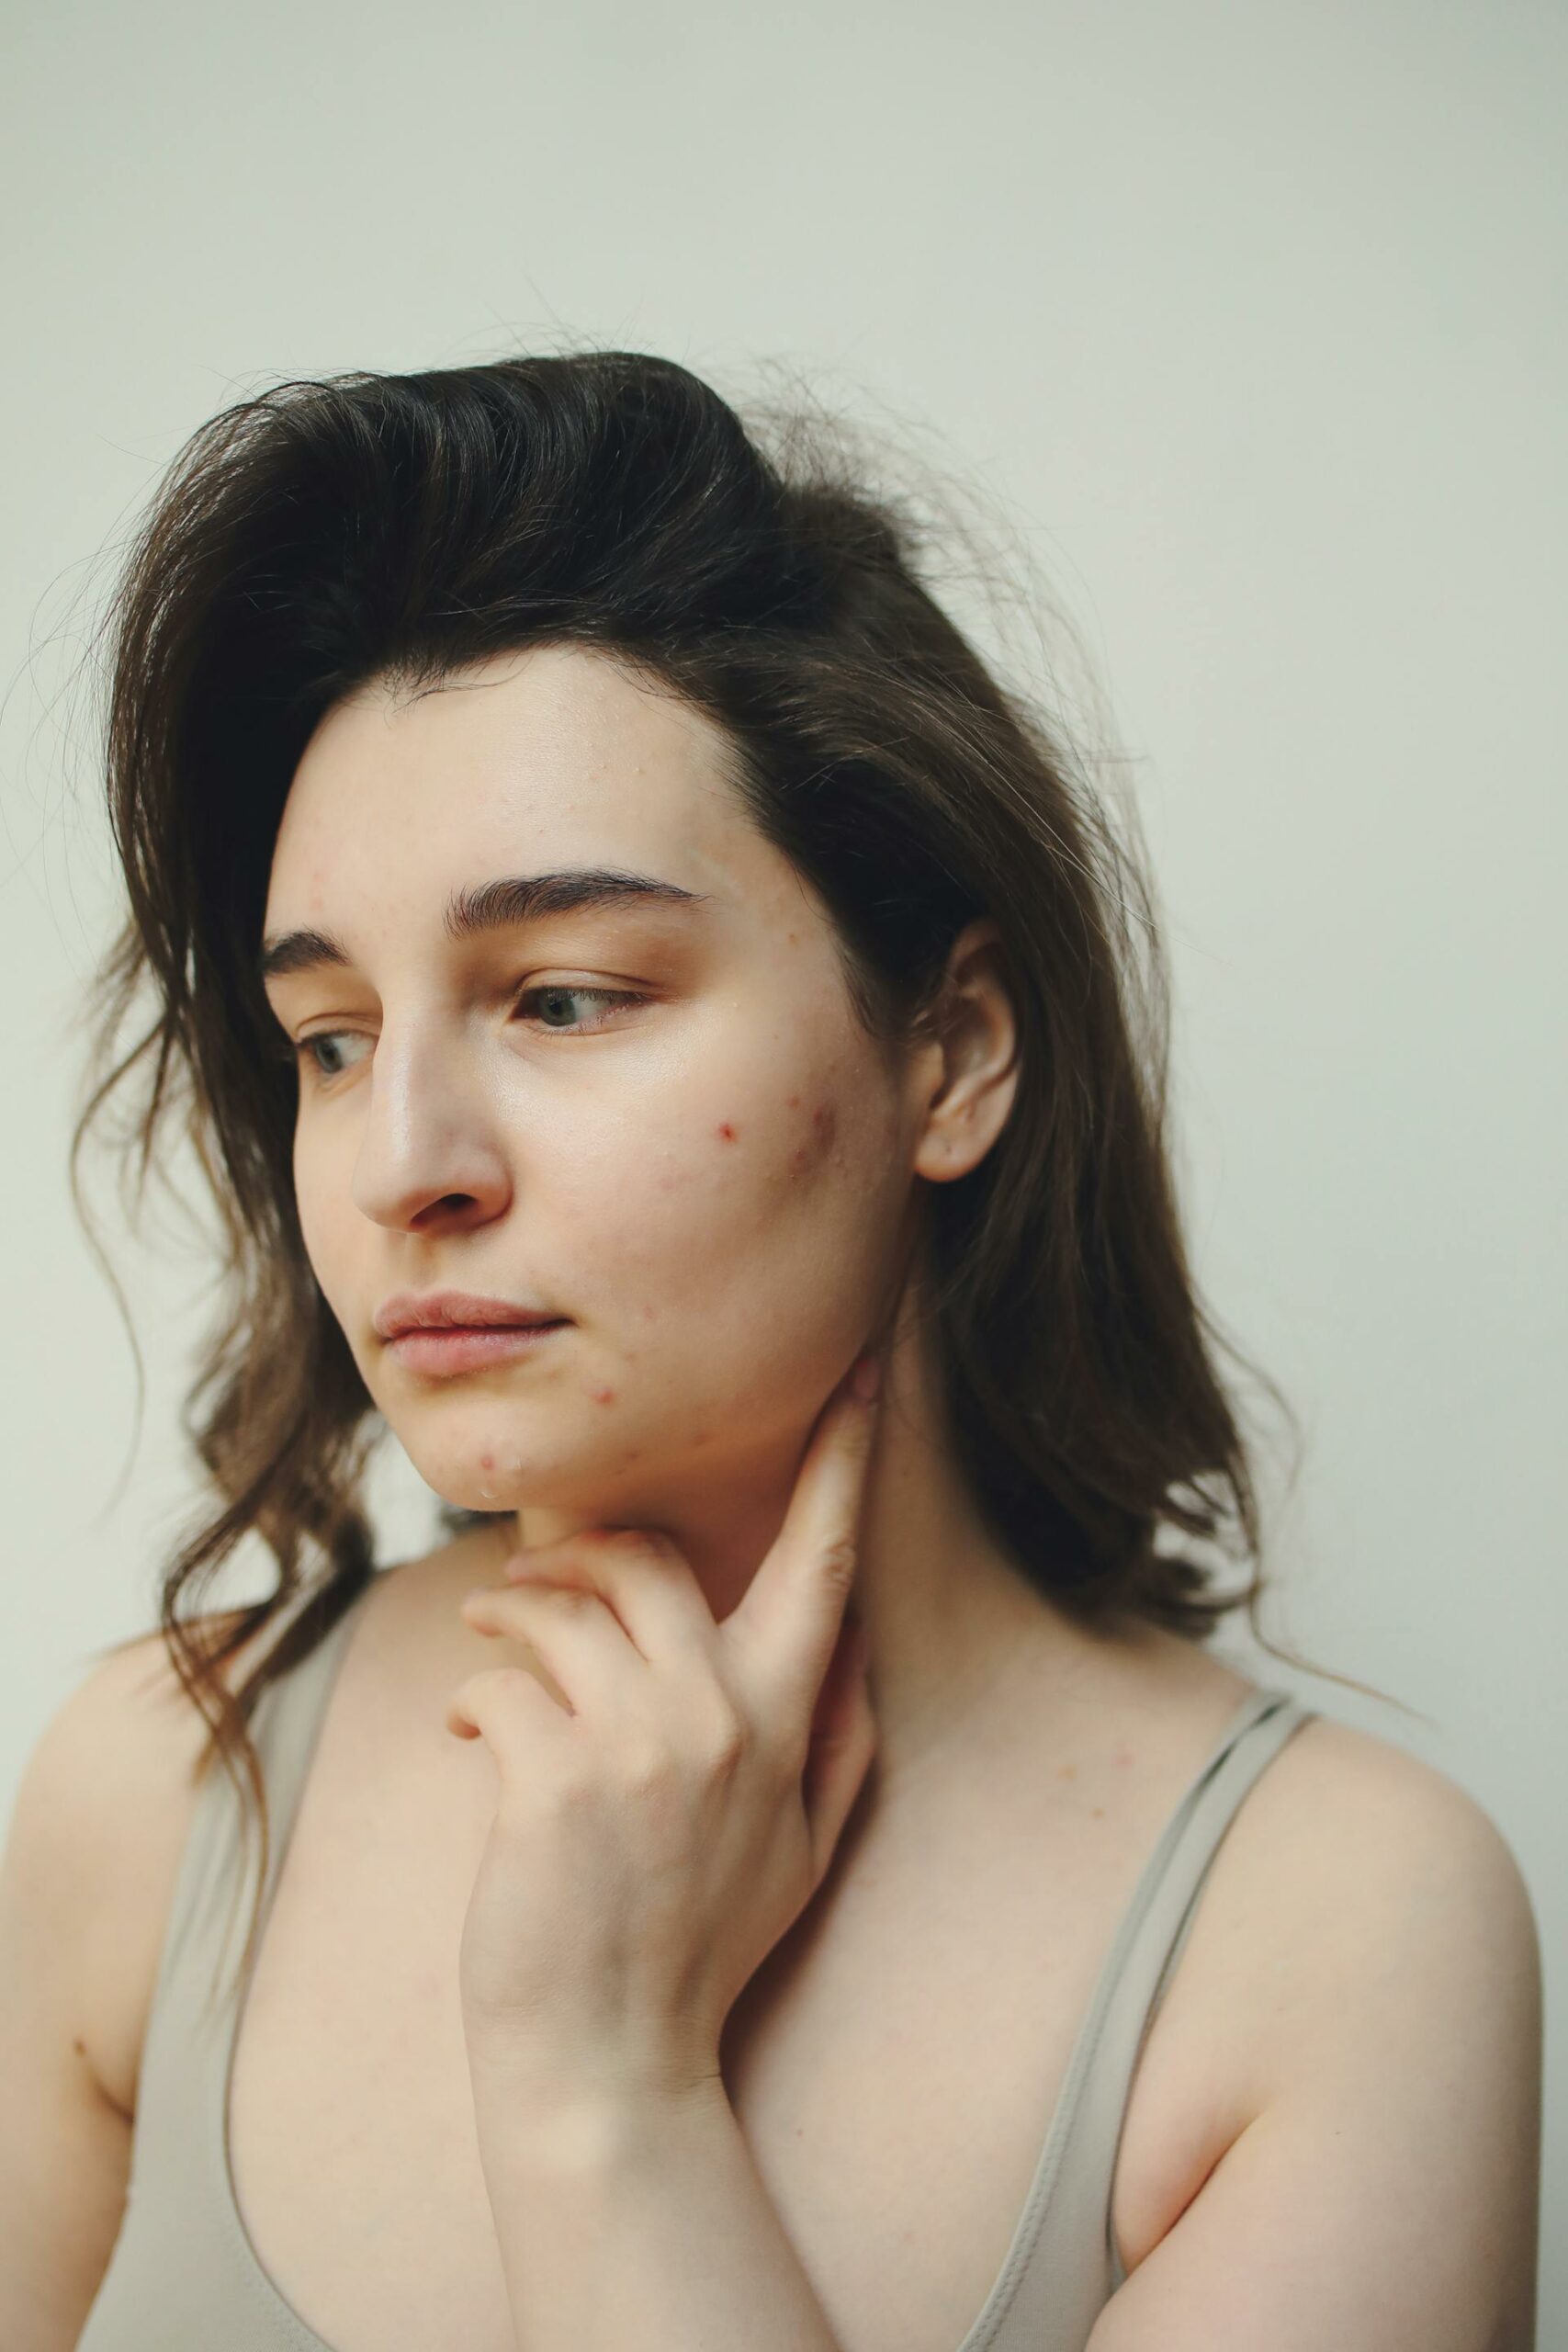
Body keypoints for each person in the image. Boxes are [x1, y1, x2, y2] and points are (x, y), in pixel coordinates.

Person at [0, 352, 1541, 2352]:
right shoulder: (157, 1786)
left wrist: (604, 2090)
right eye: (330, 1037)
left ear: (950, 1048)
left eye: (558, 995)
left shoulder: (1333, 1938)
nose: (402, 1166)